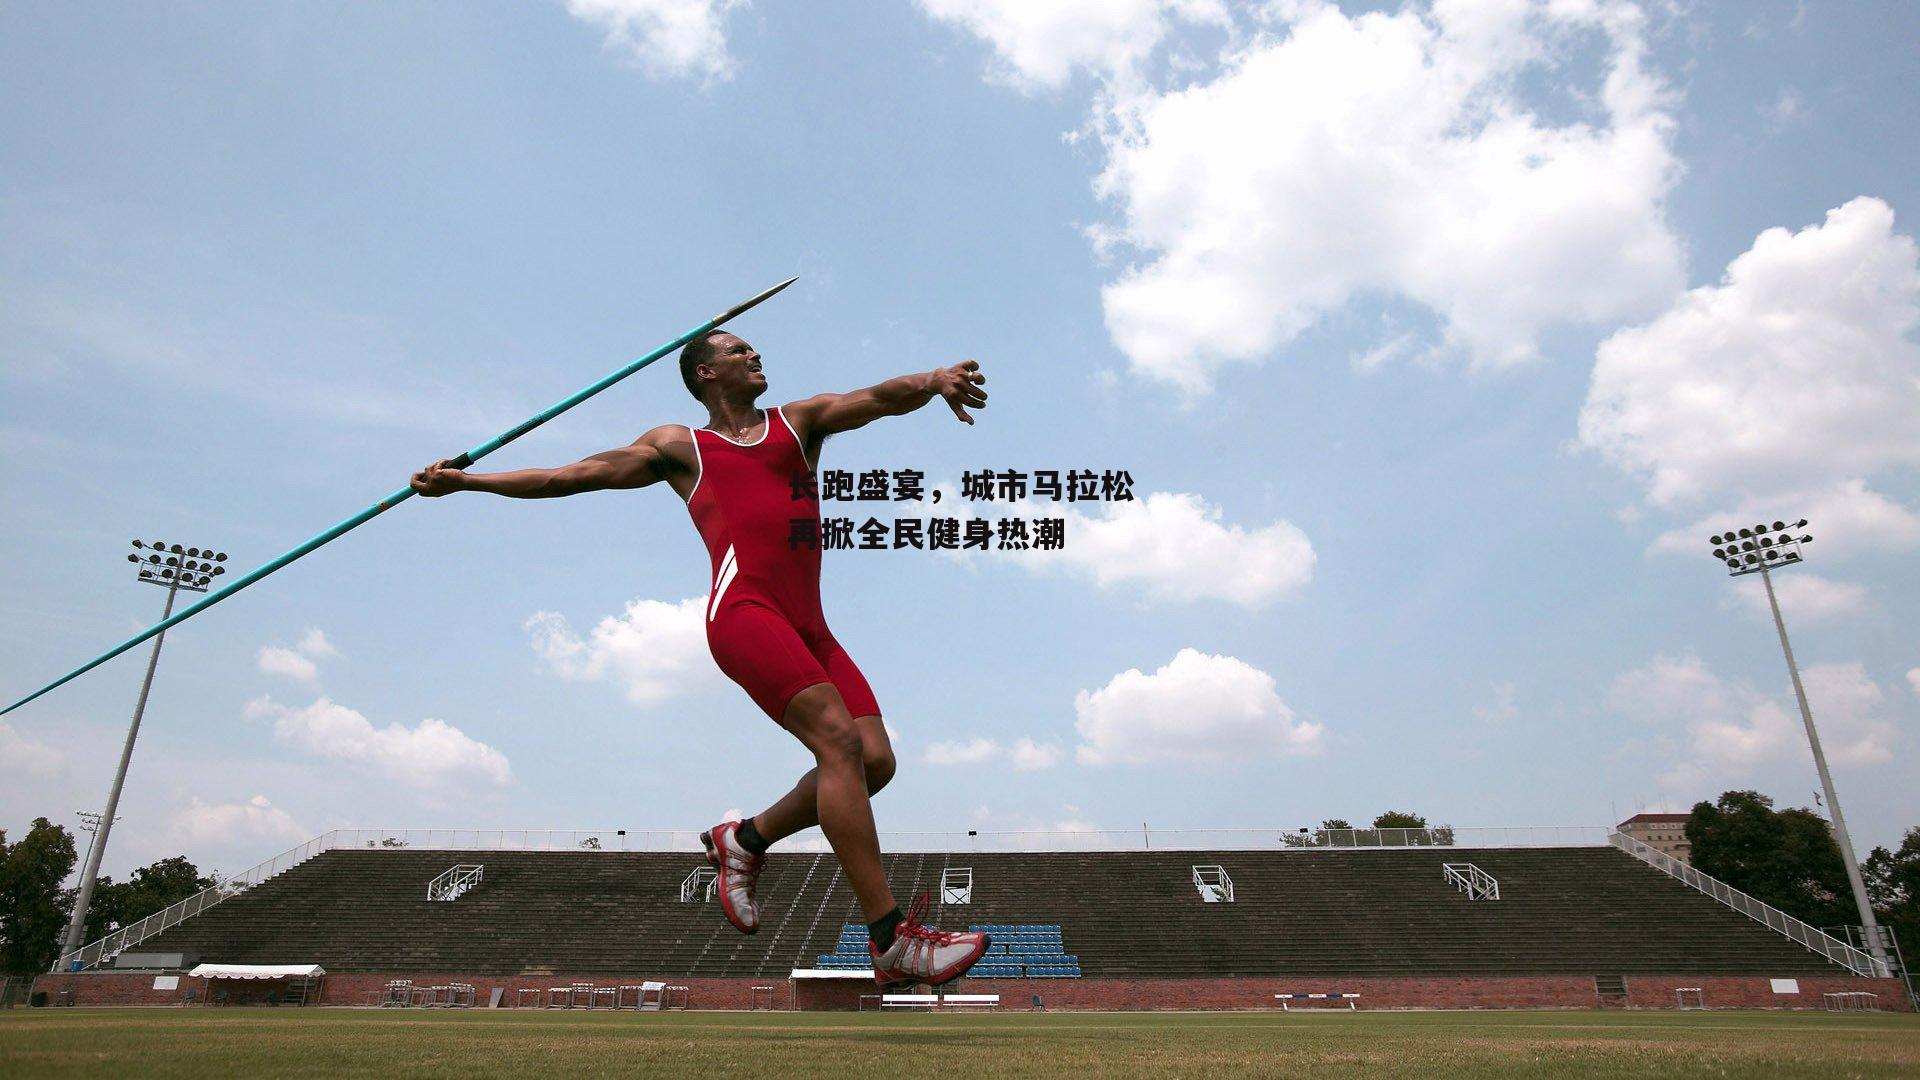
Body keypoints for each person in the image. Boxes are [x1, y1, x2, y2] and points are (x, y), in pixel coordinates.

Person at [410, 330, 991, 987]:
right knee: (837, 740)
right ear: (706, 373)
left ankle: (743, 841)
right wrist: (467, 481)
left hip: (812, 627)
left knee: (874, 761)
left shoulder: (797, 423)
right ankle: (890, 938)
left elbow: (878, 398)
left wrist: (935, 377)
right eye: (739, 350)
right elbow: (568, 476)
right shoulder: (679, 447)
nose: (756, 354)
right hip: (745, 613)